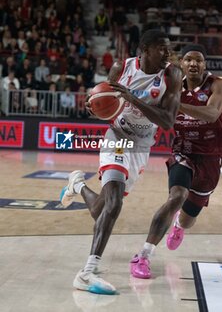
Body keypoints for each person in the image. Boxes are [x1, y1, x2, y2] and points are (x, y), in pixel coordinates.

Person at [59, 29, 182, 294]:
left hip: (141, 145)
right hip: (117, 137)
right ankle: (87, 273)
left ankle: (77, 185)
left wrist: (131, 97)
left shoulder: (171, 74)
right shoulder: (121, 68)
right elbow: (103, 100)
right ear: (145, 50)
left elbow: (168, 121)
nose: (167, 54)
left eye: (168, 49)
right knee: (115, 203)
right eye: (162, 48)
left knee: (100, 209)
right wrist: (96, 106)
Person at [130, 44, 222, 279]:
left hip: (211, 156)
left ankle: (179, 226)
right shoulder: (171, 86)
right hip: (182, 150)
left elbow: (212, 114)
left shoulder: (219, 85)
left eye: (199, 60)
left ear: (205, 65)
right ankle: (143, 255)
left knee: (188, 217)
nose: (193, 64)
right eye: (188, 60)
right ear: (181, 64)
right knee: (177, 196)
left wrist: (174, 105)